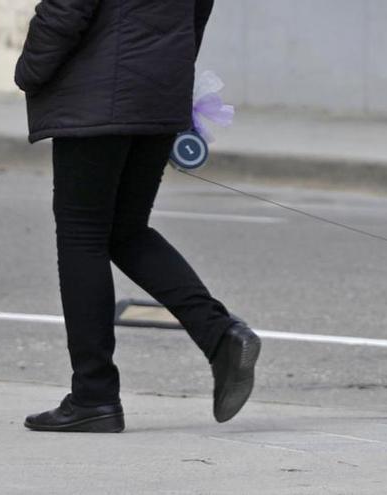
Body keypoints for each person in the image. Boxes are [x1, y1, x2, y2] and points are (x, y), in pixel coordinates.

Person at [14, 0, 261, 433]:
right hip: (160, 90)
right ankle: (220, 335)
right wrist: (169, 71)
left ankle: (94, 395)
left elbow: (67, 9)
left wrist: (30, 71)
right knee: (127, 231)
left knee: (81, 235)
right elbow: (196, 14)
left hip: (95, 92)